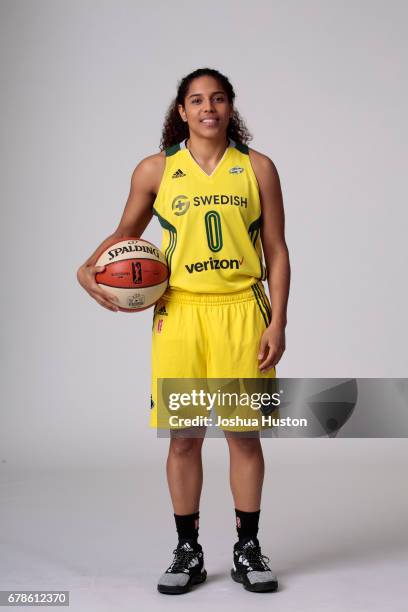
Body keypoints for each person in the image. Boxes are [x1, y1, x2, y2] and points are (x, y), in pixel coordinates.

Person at [77, 67, 290, 595]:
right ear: (182, 110)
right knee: (183, 440)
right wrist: (86, 267)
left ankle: (247, 548)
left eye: (217, 98)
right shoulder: (155, 169)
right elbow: (124, 235)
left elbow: (278, 251)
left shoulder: (257, 168)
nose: (208, 108)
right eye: (197, 100)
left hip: (242, 311)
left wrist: (279, 320)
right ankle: (188, 549)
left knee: (244, 436)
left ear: (230, 106)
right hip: (180, 313)